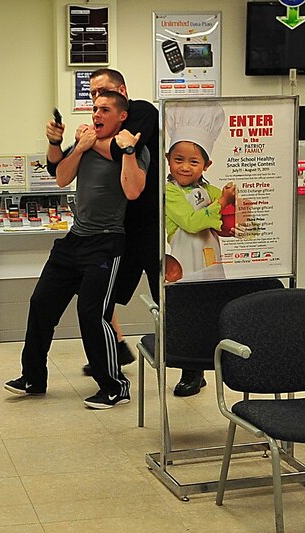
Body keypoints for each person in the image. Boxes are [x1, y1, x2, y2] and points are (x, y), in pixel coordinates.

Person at [46, 68, 207, 397]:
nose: (97, 101)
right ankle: (115, 348)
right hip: (117, 230)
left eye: (103, 93)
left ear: (121, 91)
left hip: (153, 227)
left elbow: (124, 150)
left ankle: (193, 368)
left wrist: (92, 141)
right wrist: (68, 142)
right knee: (99, 295)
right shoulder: (95, 128)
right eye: (92, 96)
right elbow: (57, 168)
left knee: (169, 297)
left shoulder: (143, 111)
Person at [7, 91, 148, 409]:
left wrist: (127, 151)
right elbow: (61, 176)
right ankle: (33, 378)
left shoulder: (131, 147)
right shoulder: (85, 143)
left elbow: (134, 189)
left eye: (105, 109)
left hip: (107, 242)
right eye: (95, 108)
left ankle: (114, 386)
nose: (97, 114)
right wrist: (70, 146)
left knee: (92, 314)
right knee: (41, 303)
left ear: (121, 116)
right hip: (74, 241)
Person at [165, 103, 236, 282]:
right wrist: (222, 202)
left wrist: (233, 226)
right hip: (184, 266)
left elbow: (225, 218)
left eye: (194, 162)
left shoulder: (209, 190)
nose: (185, 167)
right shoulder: (170, 192)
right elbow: (191, 223)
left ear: (206, 165)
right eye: (178, 160)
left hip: (212, 264)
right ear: (168, 159)